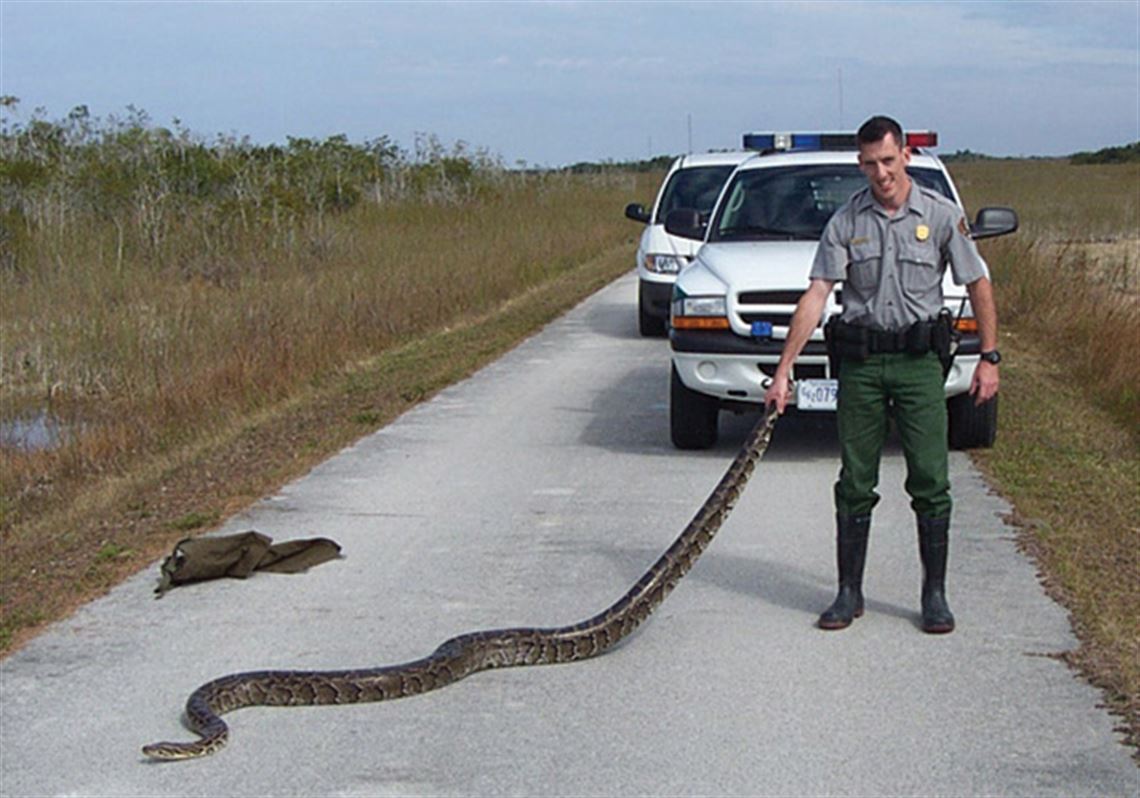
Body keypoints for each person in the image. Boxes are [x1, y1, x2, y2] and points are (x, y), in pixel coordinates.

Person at [762, 115, 1000, 634]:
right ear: (860, 164)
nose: (881, 173)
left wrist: (989, 356)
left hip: (918, 365)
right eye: (870, 164)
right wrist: (783, 372)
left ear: (905, 157)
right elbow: (817, 295)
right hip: (863, 366)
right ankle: (849, 592)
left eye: (888, 161)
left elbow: (977, 282)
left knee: (931, 480)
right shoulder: (847, 221)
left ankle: (934, 595)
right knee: (855, 481)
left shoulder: (940, 217)